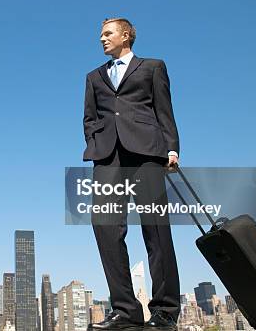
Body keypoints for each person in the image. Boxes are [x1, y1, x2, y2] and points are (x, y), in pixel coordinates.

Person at [83, 17, 181, 331]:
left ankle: (165, 311)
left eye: (107, 33)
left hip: (147, 153)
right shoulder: (94, 76)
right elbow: (89, 117)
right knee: (105, 226)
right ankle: (125, 311)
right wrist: (95, 143)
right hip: (108, 157)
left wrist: (172, 148)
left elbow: (164, 110)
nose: (101, 39)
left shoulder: (152, 67)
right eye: (100, 35)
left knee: (155, 229)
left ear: (126, 35)